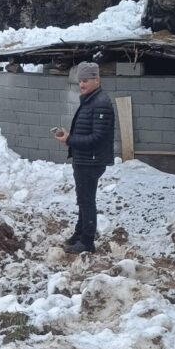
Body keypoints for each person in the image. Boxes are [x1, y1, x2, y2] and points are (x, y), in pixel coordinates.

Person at [54, 62, 115, 254]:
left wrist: (70, 140)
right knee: (83, 199)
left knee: (87, 200)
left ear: (97, 80)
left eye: (86, 80)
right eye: (80, 80)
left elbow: (97, 138)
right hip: (84, 159)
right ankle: (80, 233)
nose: (82, 84)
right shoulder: (90, 100)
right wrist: (70, 137)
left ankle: (87, 242)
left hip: (91, 160)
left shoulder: (101, 103)